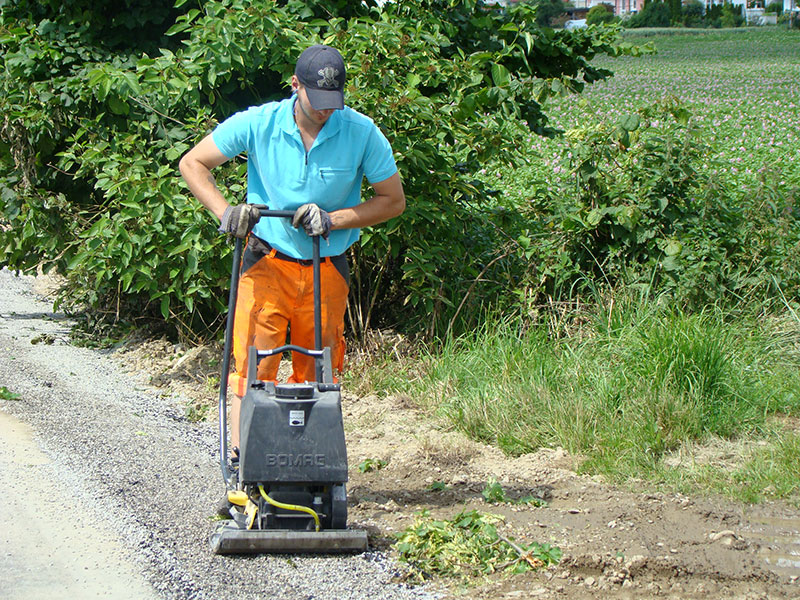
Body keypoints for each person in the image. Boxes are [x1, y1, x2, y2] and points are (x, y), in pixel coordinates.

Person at [179, 44, 405, 453]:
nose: (325, 111)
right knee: (253, 368)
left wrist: (333, 219)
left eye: (333, 103)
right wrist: (226, 211)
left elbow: (392, 200)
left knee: (319, 372)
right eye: (316, 101)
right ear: (295, 85)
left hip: (326, 266)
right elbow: (192, 163)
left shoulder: (361, 132)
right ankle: (246, 470)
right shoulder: (259, 123)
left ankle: (307, 466)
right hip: (266, 260)